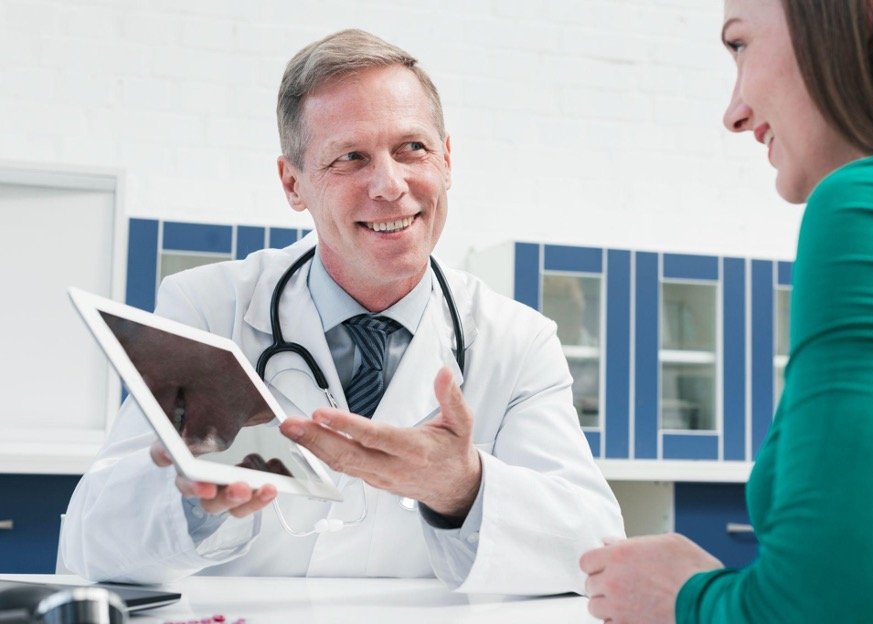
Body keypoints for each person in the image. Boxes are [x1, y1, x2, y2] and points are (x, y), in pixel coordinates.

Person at [61, 28, 623, 595]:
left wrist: (463, 488)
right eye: (350, 157)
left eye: (412, 148)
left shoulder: (518, 342)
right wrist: (189, 501)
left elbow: (594, 551)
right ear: (293, 183)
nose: (390, 185)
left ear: (447, 159)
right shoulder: (208, 308)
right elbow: (89, 545)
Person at [580, 0, 873, 621]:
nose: (734, 113)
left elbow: (848, 605)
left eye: (740, 45)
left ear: (856, 18)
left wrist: (687, 597)